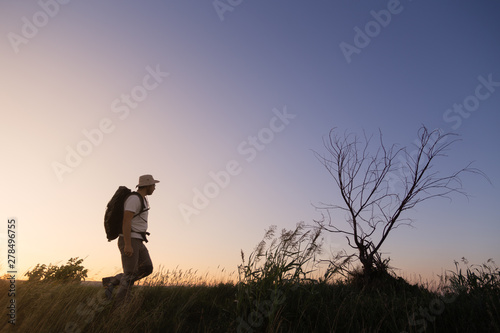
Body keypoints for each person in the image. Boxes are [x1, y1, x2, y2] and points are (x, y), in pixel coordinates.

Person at [102, 174, 160, 306]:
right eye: (153, 185)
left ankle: (113, 281)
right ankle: (120, 308)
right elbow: (126, 221)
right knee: (129, 275)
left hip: (138, 240)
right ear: (147, 185)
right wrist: (127, 244)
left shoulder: (143, 200)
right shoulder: (134, 199)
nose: (155, 188)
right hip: (130, 239)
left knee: (147, 267)